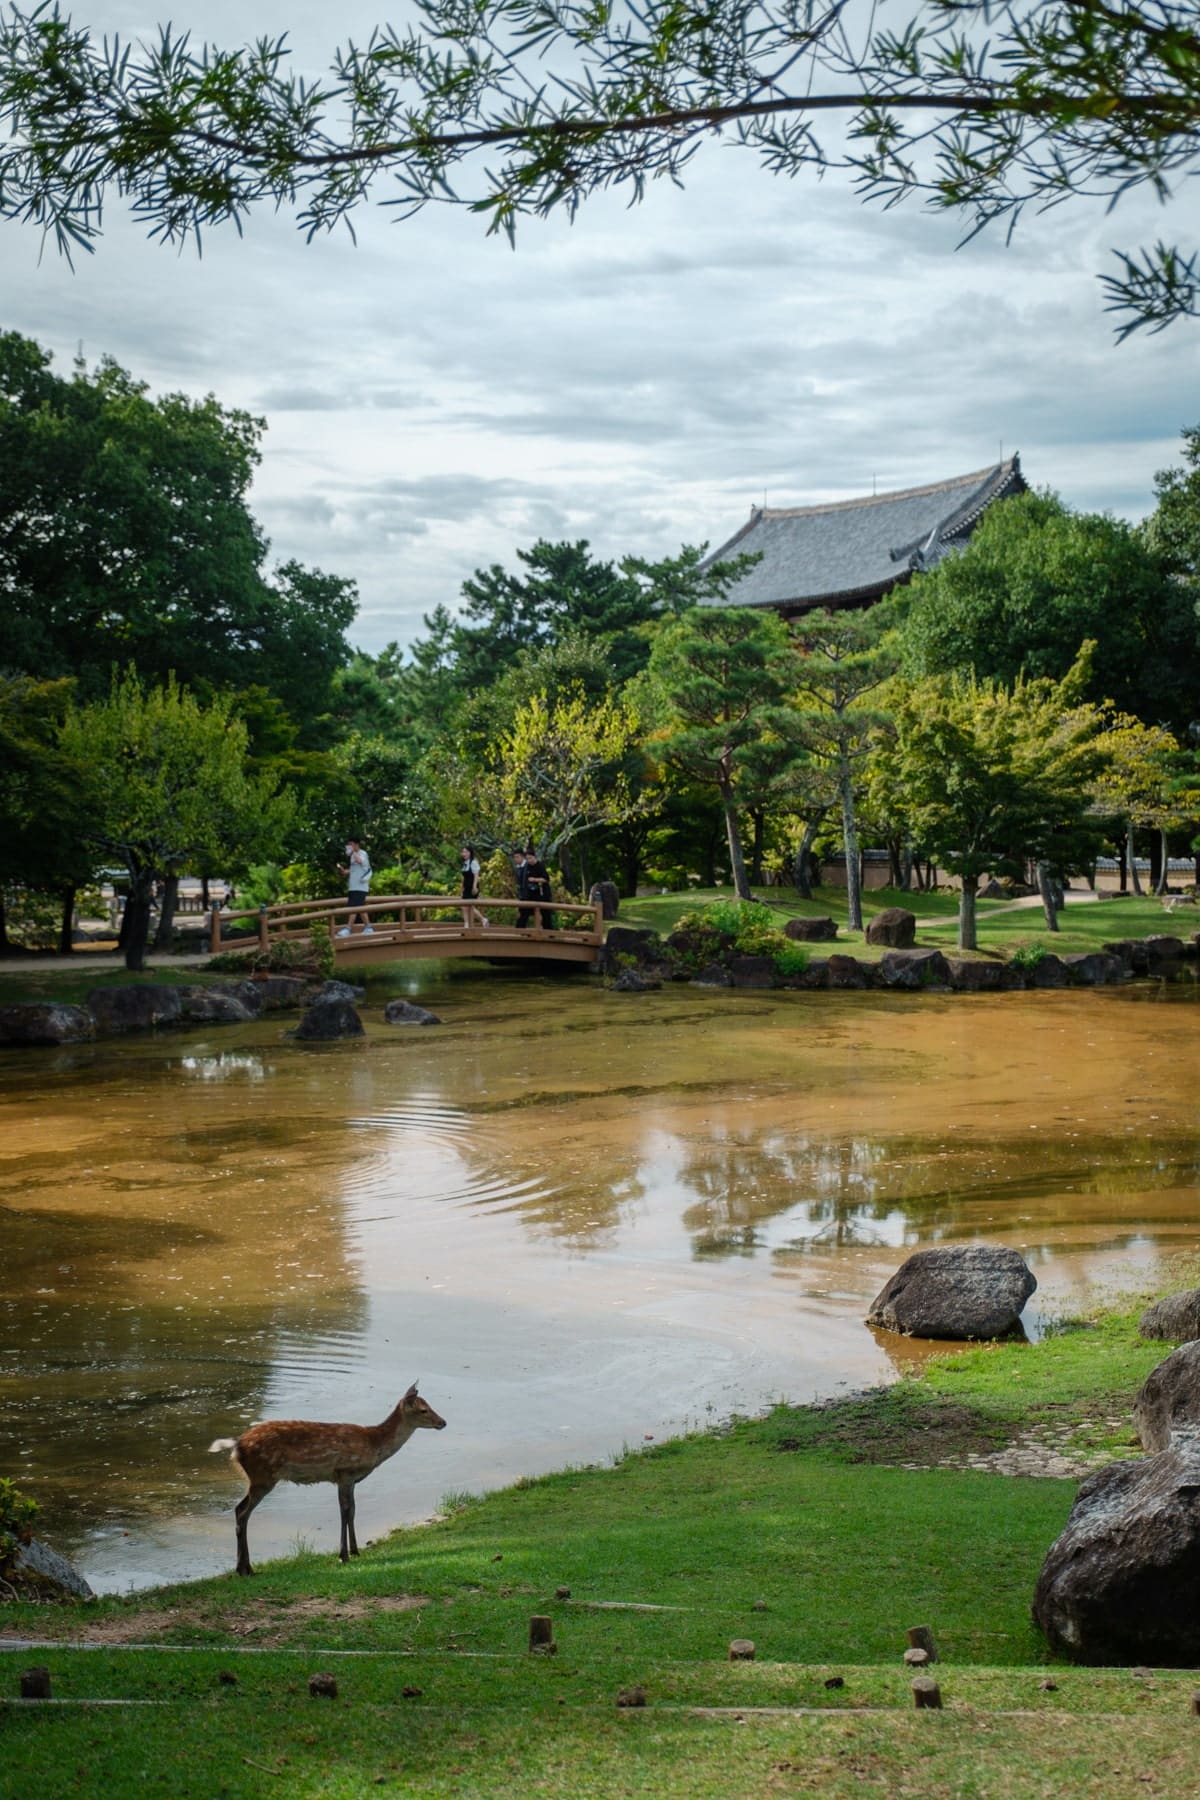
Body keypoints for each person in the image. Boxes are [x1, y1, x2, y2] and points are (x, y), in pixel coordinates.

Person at [336, 838, 374, 936]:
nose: (349, 847)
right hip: (353, 886)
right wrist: (344, 871)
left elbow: (360, 861)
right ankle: (368, 927)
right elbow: (353, 869)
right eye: (348, 845)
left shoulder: (362, 853)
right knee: (359, 907)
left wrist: (353, 851)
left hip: (360, 886)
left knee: (353, 907)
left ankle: (348, 929)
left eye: (351, 844)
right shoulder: (353, 856)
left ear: (357, 844)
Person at [523, 844, 555, 931]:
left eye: (530, 858)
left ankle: (549, 931)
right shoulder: (527, 867)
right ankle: (522, 929)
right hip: (532, 893)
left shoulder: (540, 865)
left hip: (543, 893)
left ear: (534, 857)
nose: (529, 860)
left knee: (546, 914)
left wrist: (534, 879)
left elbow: (546, 879)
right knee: (525, 911)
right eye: (527, 859)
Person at [460, 844, 484, 926]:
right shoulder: (464, 863)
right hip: (466, 887)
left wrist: (474, 887)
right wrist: (461, 888)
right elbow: (463, 878)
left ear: (470, 853)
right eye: (463, 852)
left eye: (466, 852)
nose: (464, 854)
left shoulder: (473, 862)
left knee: (468, 906)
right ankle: (467, 923)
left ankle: (481, 919)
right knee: (464, 907)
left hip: (472, 888)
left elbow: (476, 875)